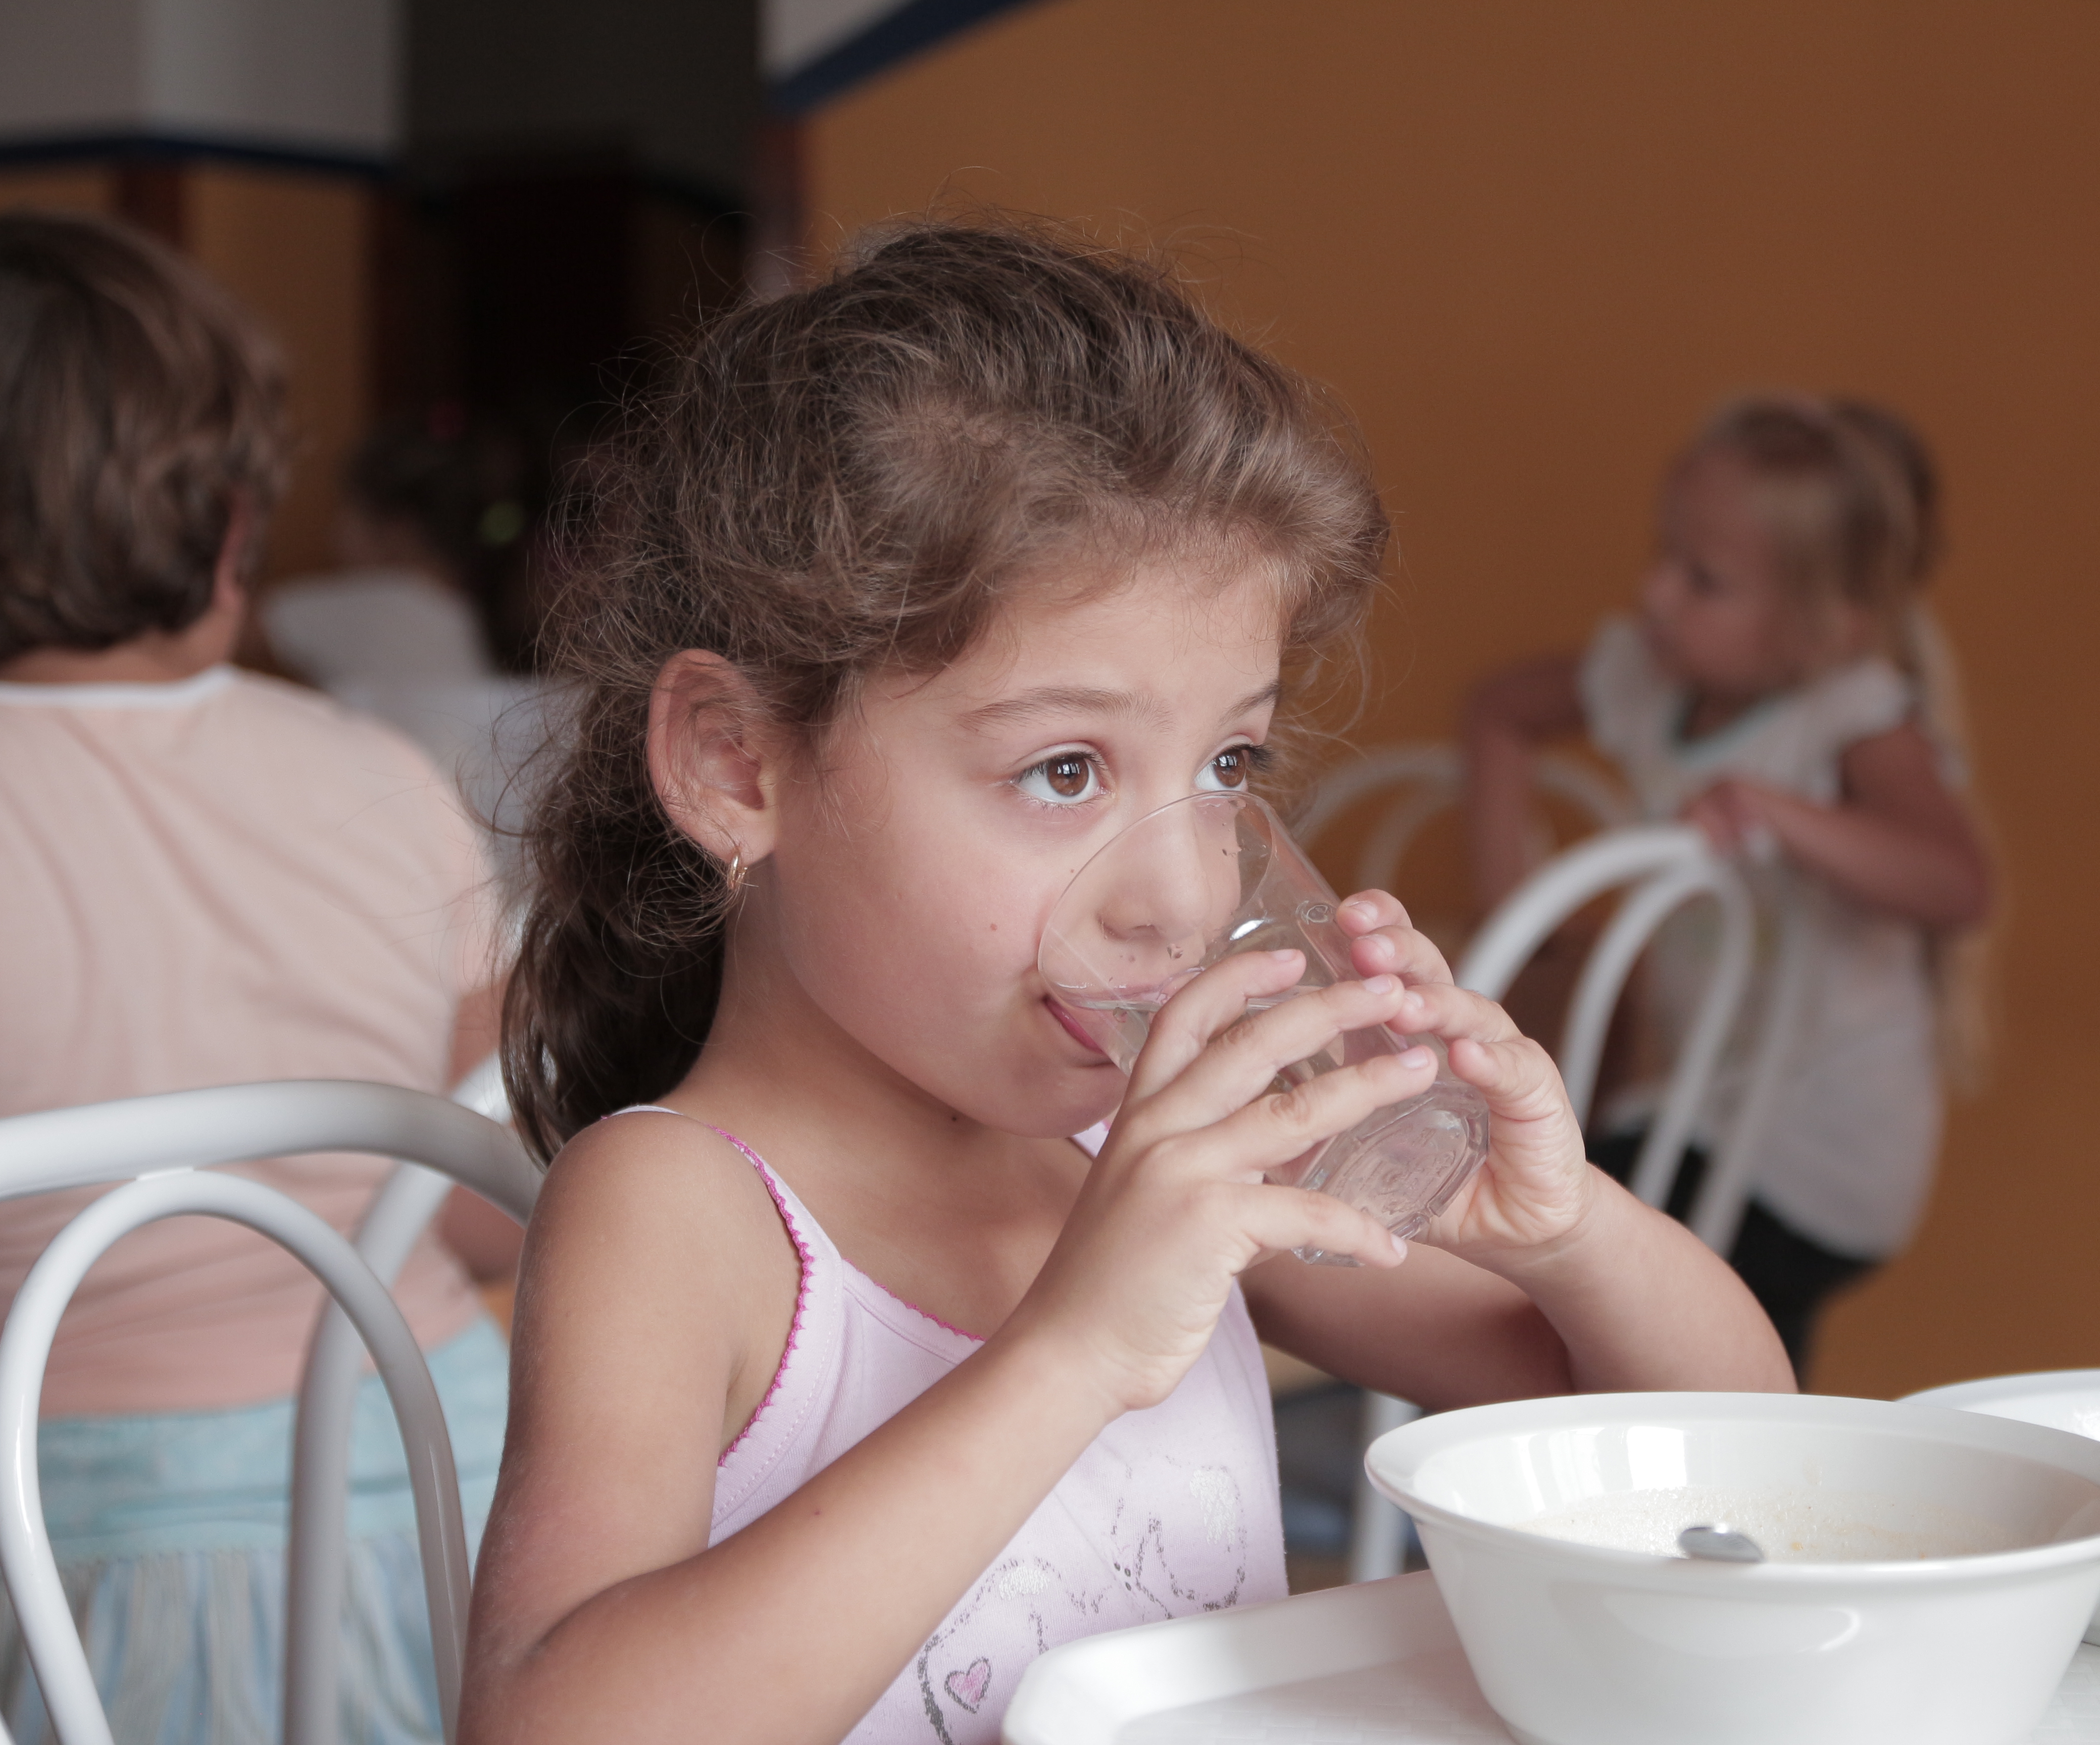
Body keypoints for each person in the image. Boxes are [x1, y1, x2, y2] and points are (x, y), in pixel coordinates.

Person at [457, 220, 1791, 1745]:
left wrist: (1566, 1236)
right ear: (737, 766)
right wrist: (1075, 1349)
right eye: (1064, 770)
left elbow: (1722, 1452)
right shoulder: (682, 1213)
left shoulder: (1157, 1150)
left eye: (1228, 765)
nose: (1183, 893)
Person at [0, 211, 520, 1744]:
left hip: (74, 1561)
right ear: (234, 520)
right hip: (461, 1506)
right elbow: (488, 1202)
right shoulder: (385, 772)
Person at [1461, 396, 1993, 1375]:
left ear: (1823, 628)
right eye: (1662, 554)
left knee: (1626, 1292)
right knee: (1569, 1242)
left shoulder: (1851, 720)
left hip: (1816, 1146)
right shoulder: (1649, 679)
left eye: (1703, 579)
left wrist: (1785, 816)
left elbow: (1956, 884)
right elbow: (1498, 710)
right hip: (1703, 1102)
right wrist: (1517, 919)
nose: (1654, 592)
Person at [263, 411, 550, 843]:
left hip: (397, 831)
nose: (331, 530)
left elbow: (211, 627)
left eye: (345, 512)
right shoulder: (472, 608)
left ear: (395, 530)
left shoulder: (381, 605)